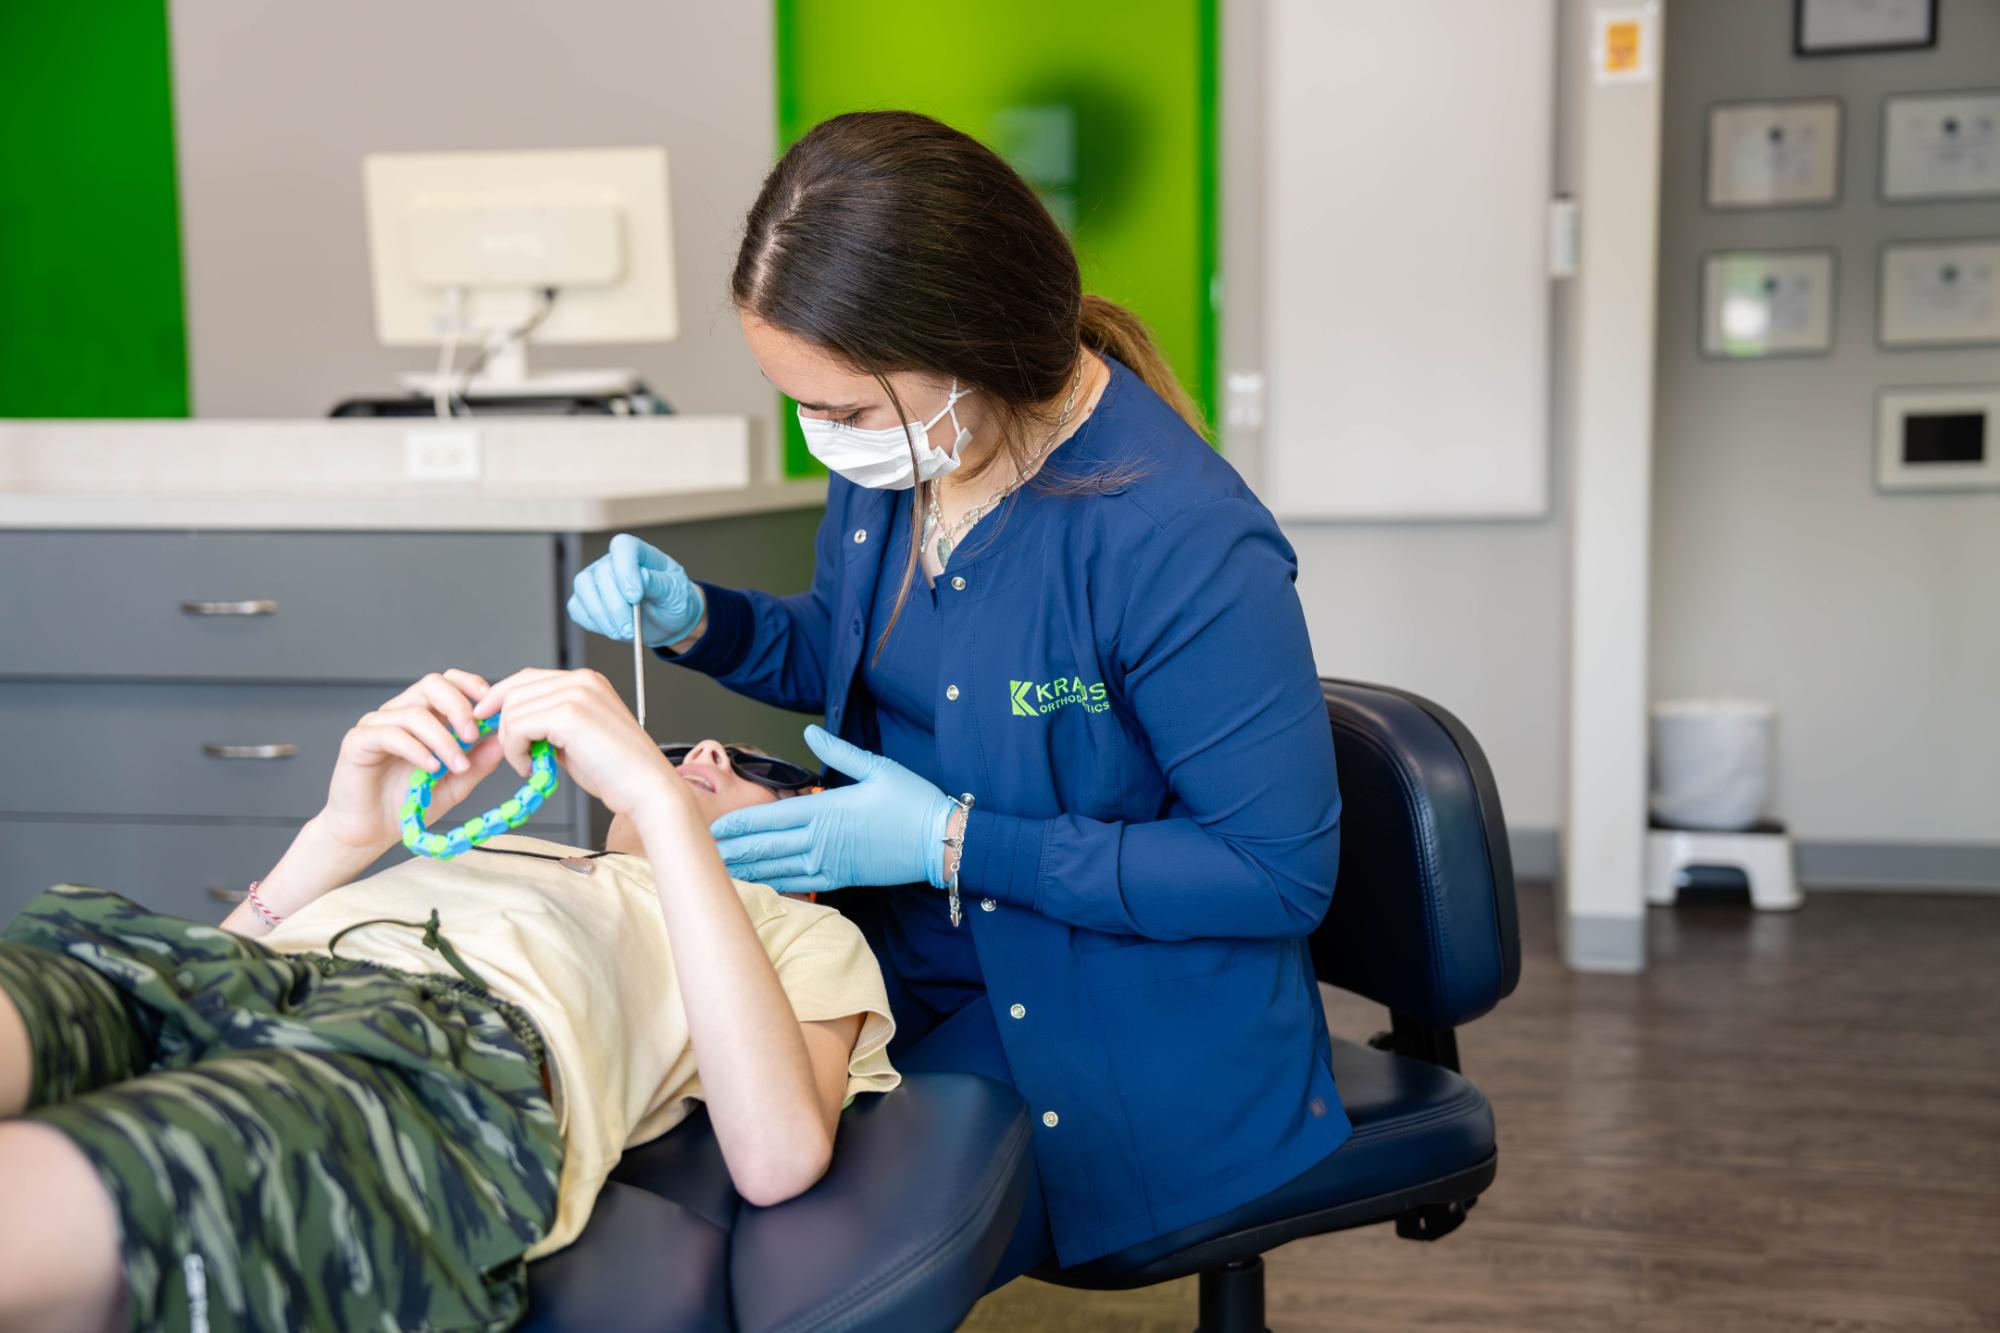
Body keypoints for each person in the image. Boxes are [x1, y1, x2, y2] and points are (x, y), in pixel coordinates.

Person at [565, 109, 1346, 1280]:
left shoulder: (1179, 540)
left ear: (972, 350)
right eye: (802, 405)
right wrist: (701, 619)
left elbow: (1275, 872)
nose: (822, 441)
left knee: (801, 1260)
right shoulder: (909, 461)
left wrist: (952, 843)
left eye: (843, 412)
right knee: (670, 1186)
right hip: (911, 960)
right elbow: (849, 649)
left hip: (1104, 1016)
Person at [0, 668, 897, 1332]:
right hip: (273, 974)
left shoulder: (798, 930)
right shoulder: (510, 849)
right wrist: (341, 833)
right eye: (676, 754)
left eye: (755, 766)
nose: (703, 751)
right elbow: (213, 974)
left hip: (443, 1049)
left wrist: (665, 810)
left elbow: (777, 1156)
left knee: (101, 1175)